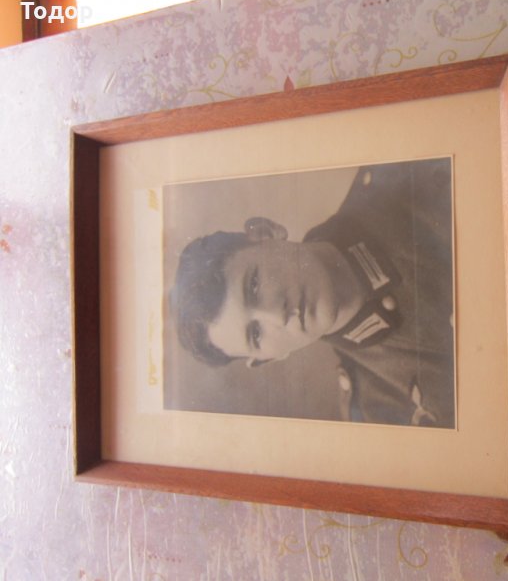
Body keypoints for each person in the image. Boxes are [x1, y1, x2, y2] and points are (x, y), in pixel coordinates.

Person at [170, 158, 455, 428]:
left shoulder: (402, 174)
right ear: (270, 358)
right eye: (255, 334)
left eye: (254, 286)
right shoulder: (373, 413)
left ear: (267, 233)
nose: (277, 315)